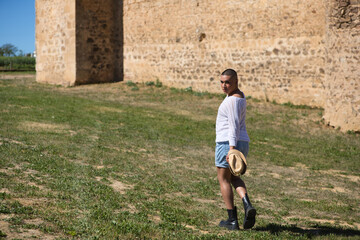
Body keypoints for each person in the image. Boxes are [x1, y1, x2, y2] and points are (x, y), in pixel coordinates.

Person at [215, 69, 256, 230]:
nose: (224, 85)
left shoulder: (232, 100)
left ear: (236, 82)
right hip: (242, 141)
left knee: (223, 179)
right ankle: (247, 205)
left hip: (228, 142)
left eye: (228, 82)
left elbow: (233, 126)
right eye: (222, 82)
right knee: (234, 178)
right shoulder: (240, 96)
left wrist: (231, 150)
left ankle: (232, 219)